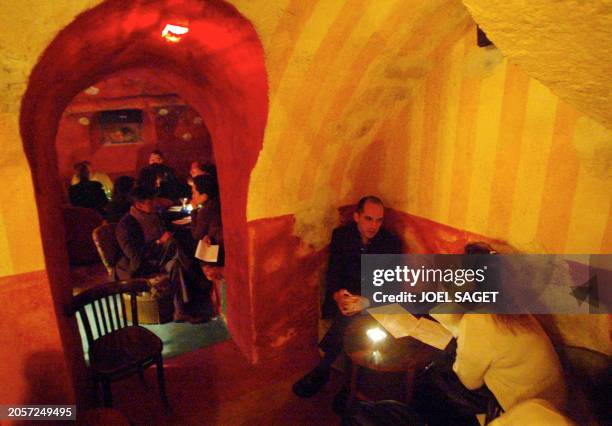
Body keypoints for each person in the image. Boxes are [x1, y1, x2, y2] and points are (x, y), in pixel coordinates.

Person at [293, 196, 402, 405]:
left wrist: (367, 301)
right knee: (349, 317)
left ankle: (326, 370)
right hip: (348, 297)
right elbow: (334, 272)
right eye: (368, 219)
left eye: (379, 220)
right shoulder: (342, 236)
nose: (374, 226)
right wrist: (337, 294)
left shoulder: (390, 243)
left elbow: (392, 287)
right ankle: (350, 383)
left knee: (352, 321)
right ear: (356, 217)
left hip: (374, 302)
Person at [115, 185, 206, 323]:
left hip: (162, 257)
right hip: (143, 263)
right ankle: (199, 277)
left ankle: (180, 312)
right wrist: (159, 242)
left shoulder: (154, 215)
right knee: (173, 245)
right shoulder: (126, 225)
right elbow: (135, 255)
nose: (155, 203)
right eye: (150, 201)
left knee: (176, 261)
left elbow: (168, 226)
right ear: (139, 204)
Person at [190, 175, 224, 317]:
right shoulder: (220, 202)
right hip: (222, 246)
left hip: (217, 253)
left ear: (204, 195)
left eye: (194, 192)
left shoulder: (206, 210)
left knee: (191, 254)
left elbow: (196, 235)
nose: (192, 195)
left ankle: (207, 303)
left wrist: (193, 211)